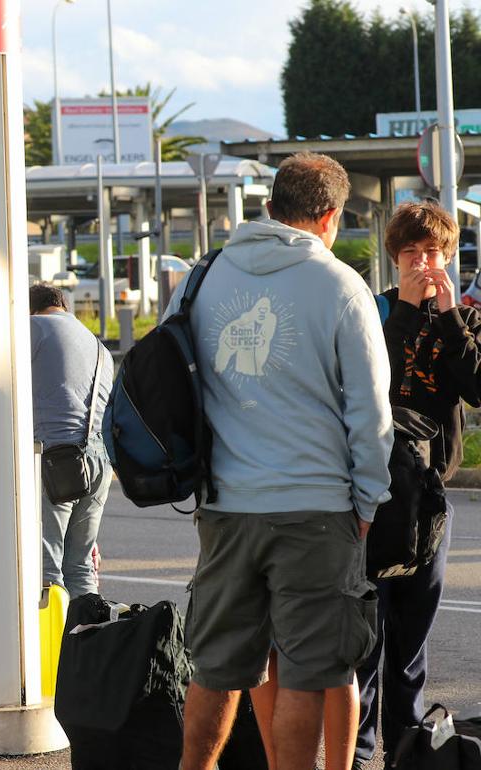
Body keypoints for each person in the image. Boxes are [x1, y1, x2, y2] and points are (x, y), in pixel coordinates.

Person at [170, 152, 393, 770]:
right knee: (309, 667)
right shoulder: (342, 287)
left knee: (216, 665)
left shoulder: (201, 278)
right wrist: (367, 502)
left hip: (223, 506)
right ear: (330, 216)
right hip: (317, 508)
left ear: (269, 209)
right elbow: (371, 414)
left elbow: (164, 381)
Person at [346, 201, 479, 770]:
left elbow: (475, 388)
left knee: (411, 639)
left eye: (434, 253)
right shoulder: (371, 315)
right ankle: (359, 749)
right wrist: (403, 308)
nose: (424, 264)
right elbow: (373, 382)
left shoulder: (465, 321)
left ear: (449, 257)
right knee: (366, 637)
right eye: (411, 254)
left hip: (429, 497)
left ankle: (405, 753)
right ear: (393, 258)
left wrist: (449, 318)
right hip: (371, 492)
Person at [28, 282, 113, 597]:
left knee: (47, 568)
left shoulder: (33, 328)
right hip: (99, 462)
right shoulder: (98, 346)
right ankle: (88, 641)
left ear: (31, 309)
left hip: (55, 460)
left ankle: (55, 645)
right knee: (80, 566)